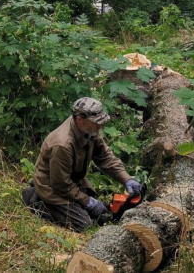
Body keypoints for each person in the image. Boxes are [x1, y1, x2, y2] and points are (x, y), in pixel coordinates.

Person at [22, 97, 143, 232]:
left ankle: (73, 203)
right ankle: (36, 199)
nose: (100, 126)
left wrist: (127, 179)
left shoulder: (89, 130)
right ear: (79, 119)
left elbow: (105, 157)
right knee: (84, 224)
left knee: (101, 216)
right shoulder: (63, 144)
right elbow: (61, 184)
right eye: (97, 122)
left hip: (73, 180)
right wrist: (87, 202)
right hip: (54, 187)